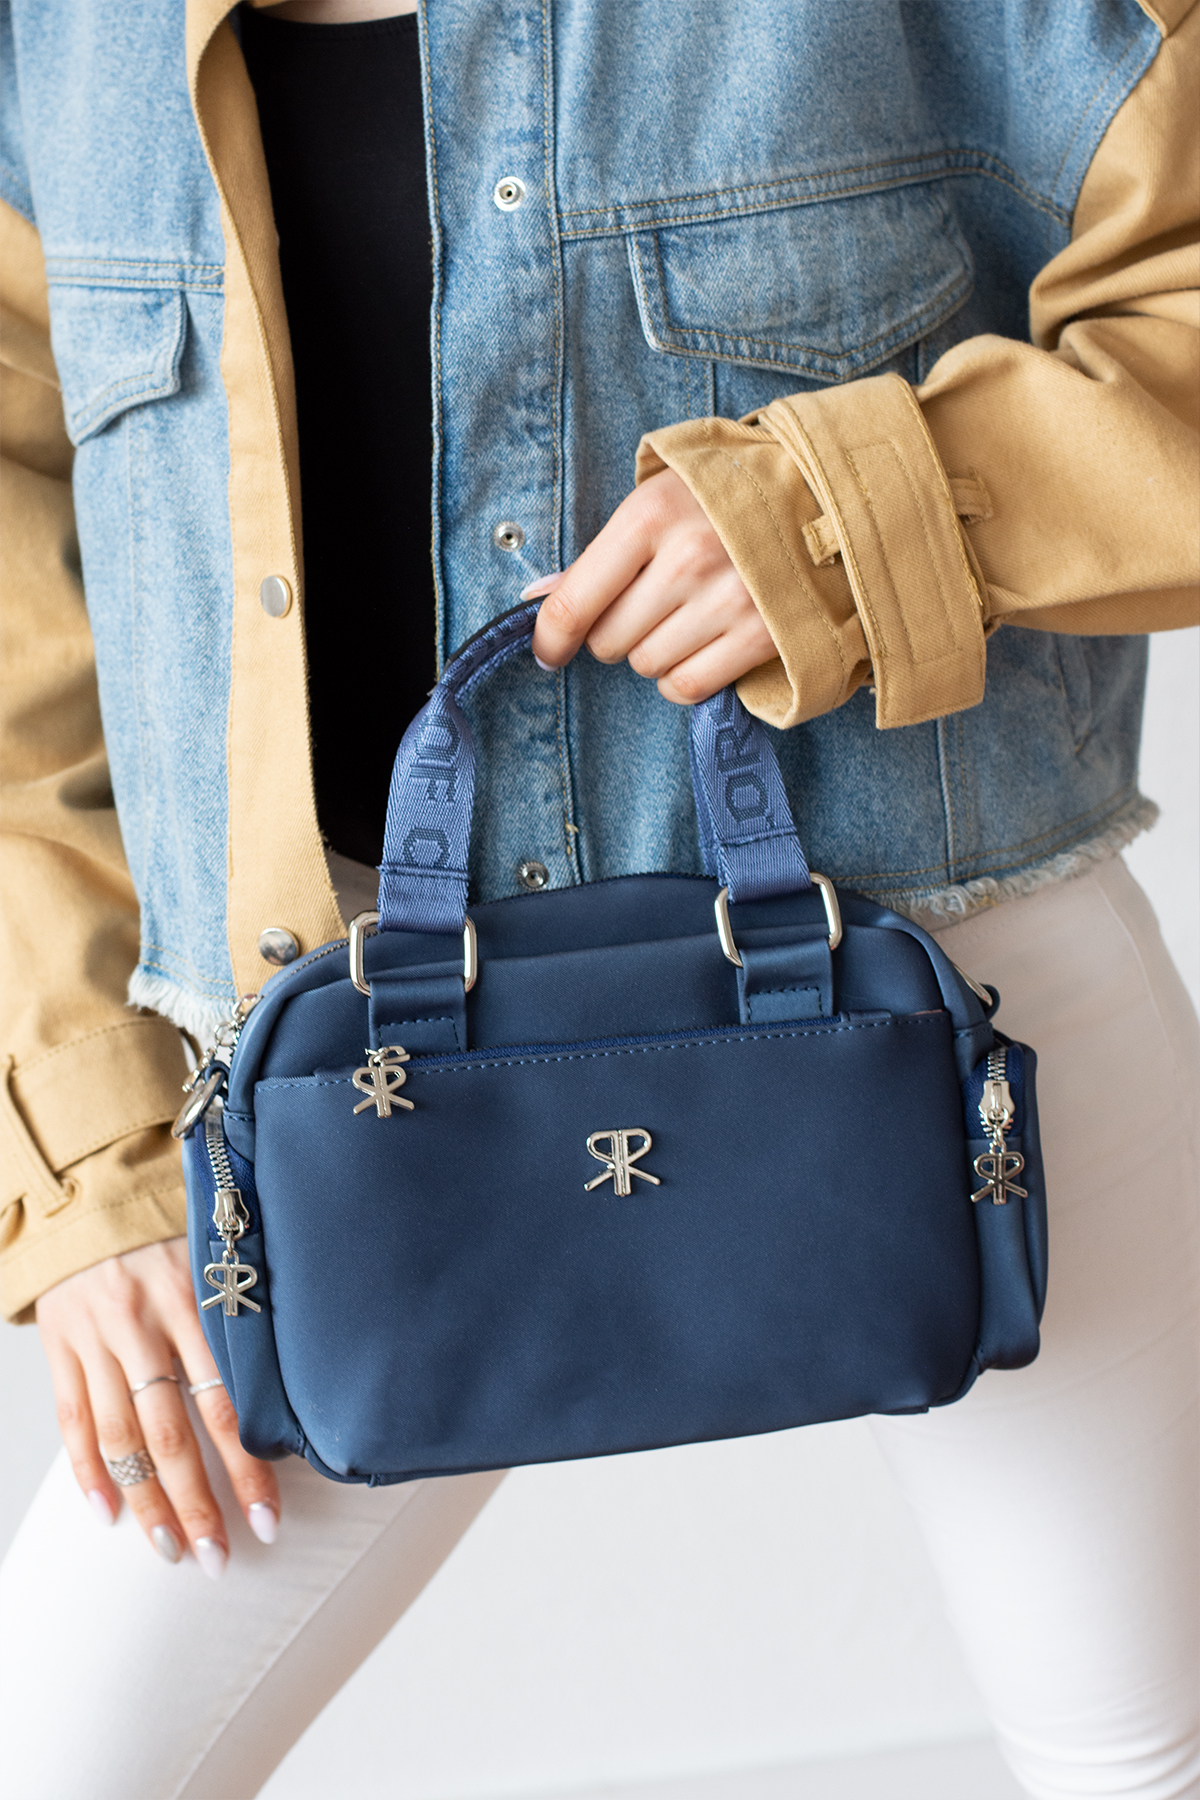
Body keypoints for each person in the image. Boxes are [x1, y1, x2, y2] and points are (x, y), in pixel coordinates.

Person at [0, 0, 1197, 1794]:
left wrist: (851, 517)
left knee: (1146, 1754)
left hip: (939, 1009)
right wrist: (81, 1143)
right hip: (328, 1095)